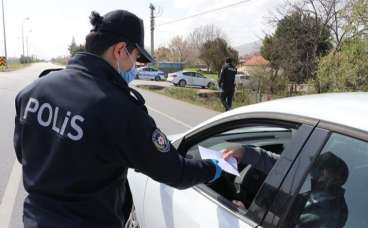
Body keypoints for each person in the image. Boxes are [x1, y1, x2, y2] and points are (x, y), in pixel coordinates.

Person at [14, 10, 222, 228]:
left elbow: (24, 154)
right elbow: (174, 172)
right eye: (136, 58)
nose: (136, 66)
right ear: (120, 50)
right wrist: (214, 168)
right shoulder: (120, 109)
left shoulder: (33, 91)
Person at [223, 147, 348, 228]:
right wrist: (245, 152)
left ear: (328, 174)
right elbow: (286, 168)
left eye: (317, 167)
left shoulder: (327, 212)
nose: (310, 171)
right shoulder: (319, 193)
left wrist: (248, 216)